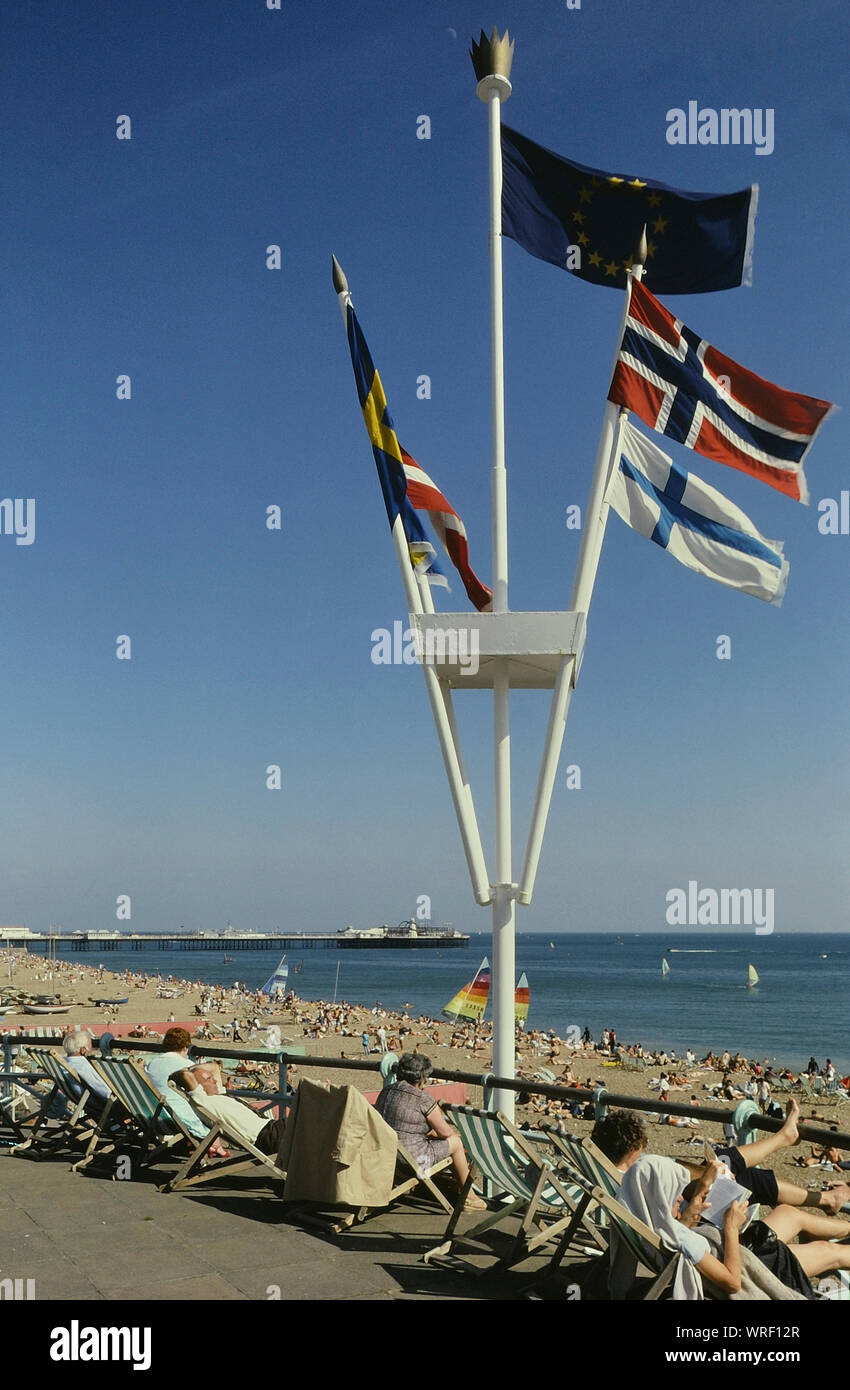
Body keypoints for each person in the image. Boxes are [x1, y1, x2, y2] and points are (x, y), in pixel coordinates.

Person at [374, 1053, 485, 1210]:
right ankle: (470, 1197)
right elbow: (446, 1133)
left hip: (386, 1157)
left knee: (443, 1141)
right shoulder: (422, 1098)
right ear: (421, 1077)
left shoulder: (387, 1091)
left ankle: (457, 1189)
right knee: (455, 1143)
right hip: (410, 1162)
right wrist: (457, 1137)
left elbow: (404, 1128)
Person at [144, 1027, 229, 1157]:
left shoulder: (151, 1064)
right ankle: (211, 1143)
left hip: (152, 1117)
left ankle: (192, 1144)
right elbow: (207, 1096)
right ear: (186, 1047)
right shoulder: (186, 1067)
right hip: (177, 1121)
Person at [174, 1065, 284, 1155]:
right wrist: (189, 1070)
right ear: (198, 1087)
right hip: (267, 1136)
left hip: (273, 1127)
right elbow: (185, 1075)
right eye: (209, 1079)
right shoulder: (203, 1101)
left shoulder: (218, 1094)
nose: (215, 1081)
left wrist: (196, 1070)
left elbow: (214, 1067)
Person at [62, 1029, 110, 1110]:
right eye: (88, 1047)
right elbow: (104, 1091)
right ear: (82, 1050)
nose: (89, 1050)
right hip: (101, 1104)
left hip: (82, 1101)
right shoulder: (82, 1066)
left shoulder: (63, 1064)